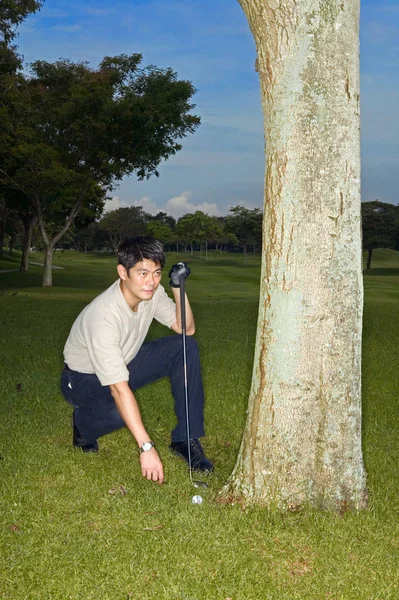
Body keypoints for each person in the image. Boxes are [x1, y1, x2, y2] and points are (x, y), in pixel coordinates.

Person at [60, 236, 213, 484]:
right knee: (118, 413)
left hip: (126, 359)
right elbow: (119, 389)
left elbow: (186, 328)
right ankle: (83, 426)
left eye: (156, 273)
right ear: (123, 272)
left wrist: (177, 287)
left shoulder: (151, 292)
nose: (151, 282)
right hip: (82, 378)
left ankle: (185, 438)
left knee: (185, 347)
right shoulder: (103, 316)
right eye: (142, 273)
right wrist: (146, 448)